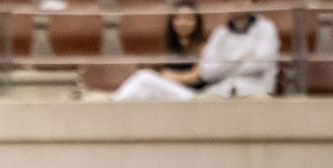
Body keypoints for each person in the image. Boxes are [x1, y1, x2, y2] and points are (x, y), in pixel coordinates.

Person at [113, 0, 276, 101]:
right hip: (214, 95)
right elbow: (208, 72)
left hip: (208, 96)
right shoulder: (220, 33)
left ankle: (110, 105)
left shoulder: (266, 28)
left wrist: (225, 64)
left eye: (188, 19)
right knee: (143, 85)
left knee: (144, 79)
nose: (236, 2)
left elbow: (259, 64)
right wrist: (243, 59)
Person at [111, 2, 206, 101]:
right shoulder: (170, 47)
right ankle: (119, 104)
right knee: (142, 89)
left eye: (189, 19)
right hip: (171, 89)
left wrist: (170, 76)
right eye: (178, 18)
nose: (183, 23)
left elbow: (198, 76)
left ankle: (115, 103)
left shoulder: (202, 47)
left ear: (197, 22)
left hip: (189, 93)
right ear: (172, 21)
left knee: (144, 77)